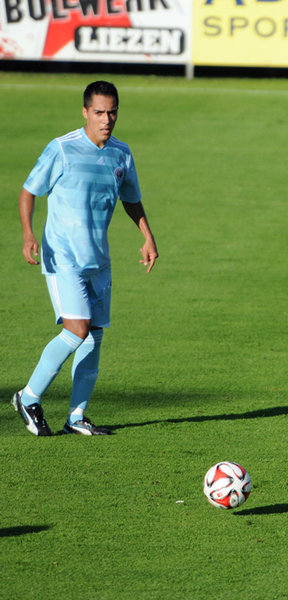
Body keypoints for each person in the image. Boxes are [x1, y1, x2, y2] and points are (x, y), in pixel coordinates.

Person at [13, 80, 158, 436]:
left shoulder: (121, 154)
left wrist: (147, 236)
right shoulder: (62, 149)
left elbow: (131, 199)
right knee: (76, 329)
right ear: (85, 112)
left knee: (93, 335)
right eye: (99, 112)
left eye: (112, 113)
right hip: (63, 255)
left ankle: (76, 417)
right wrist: (28, 234)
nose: (106, 120)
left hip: (98, 259)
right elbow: (29, 191)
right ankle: (28, 397)